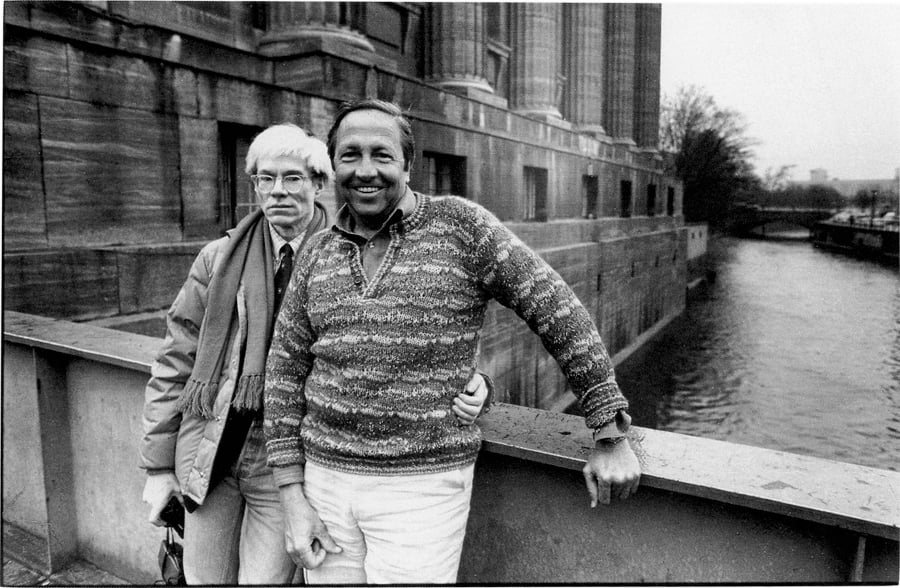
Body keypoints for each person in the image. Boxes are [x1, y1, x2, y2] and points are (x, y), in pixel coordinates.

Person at [264, 99, 642, 584]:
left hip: (422, 489)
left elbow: (558, 311)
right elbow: (285, 369)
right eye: (350, 155)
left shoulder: (462, 227)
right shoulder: (317, 249)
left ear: (407, 163)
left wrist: (608, 431)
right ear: (333, 165)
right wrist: (292, 494)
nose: (365, 171)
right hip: (323, 484)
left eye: (381, 155)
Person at [139, 122, 489, 584]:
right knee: (203, 578)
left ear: (320, 184)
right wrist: (159, 466)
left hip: (290, 459)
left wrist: (479, 381)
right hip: (214, 448)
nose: (277, 192)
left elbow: (414, 338)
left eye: (293, 178)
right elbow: (176, 360)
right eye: (266, 179)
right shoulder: (218, 258)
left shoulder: (345, 253)